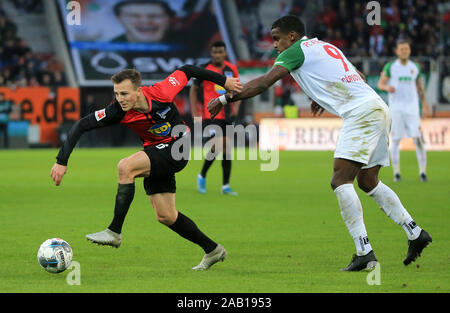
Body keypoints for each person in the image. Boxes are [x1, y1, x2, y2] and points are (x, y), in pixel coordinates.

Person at [208, 15, 432, 271]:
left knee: (340, 180)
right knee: (367, 181)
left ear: (292, 36)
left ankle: (364, 252)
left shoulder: (295, 51)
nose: (274, 45)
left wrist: (225, 99)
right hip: (379, 107)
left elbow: (264, 82)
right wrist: (322, 96)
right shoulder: (325, 46)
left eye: (276, 39)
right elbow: (356, 73)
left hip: (361, 114)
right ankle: (415, 233)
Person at [50, 65, 242, 270]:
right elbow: (81, 125)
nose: (120, 98)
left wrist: (224, 81)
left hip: (179, 145)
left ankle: (114, 232)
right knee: (166, 216)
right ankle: (212, 250)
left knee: (126, 167)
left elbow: (187, 70)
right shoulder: (115, 110)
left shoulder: (162, 91)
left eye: (124, 93)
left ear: (138, 90)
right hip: (155, 149)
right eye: (116, 93)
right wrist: (61, 161)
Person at [189, 41, 241, 195]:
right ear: (211, 53)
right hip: (210, 115)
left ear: (225, 53)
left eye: (220, 52)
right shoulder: (204, 69)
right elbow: (193, 90)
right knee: (221, 144)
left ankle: (224, 184)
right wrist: (194, 112)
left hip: (227, 114)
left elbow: (238, 89)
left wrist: (236, 106)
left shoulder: (231, 69)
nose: (218, 55)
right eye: (215, 52)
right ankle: (204, 176)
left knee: (226, 149)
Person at [377, 40, 429, 182]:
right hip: (397, 109)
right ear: (397, 51)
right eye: (402, 49)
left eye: (406, 49)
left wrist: (424, 104)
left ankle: (423, 172)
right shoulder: (391, 67)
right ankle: (397, 173)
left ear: (410, 50)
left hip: (412, 109)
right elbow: (380, 84)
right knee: (396, 140)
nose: (404, 51)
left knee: (418, 139)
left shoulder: (415, 67)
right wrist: (387, 88)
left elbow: (419, 86)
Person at [111, 0, 175, 43]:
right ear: (119, 19)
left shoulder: (182, 42)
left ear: (168, 18)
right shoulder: (108, 49)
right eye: (134, 16)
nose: (145, 21)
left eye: (154, 16)